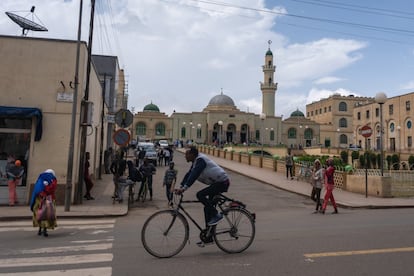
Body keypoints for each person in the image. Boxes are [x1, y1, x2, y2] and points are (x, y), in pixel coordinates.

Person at [176, 146, 230, 246]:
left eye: (186, 154)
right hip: (216, 183)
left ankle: (216, 215)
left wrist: (184, 188)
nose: (185, 156)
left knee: (200, 195)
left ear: (192, 154)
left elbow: (194, 175)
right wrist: (180, 186)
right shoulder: (196, 161)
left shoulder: (201, 160)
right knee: (207, 208)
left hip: (222, 182)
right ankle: (208, 236)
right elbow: (189, 174)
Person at [29, 169, 57, 237]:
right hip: (48, 199)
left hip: (39, 199)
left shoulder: (40, 178)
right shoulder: (53, 179)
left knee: (40, 213)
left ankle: (40, 229)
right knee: (47, 214)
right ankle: (45, 230)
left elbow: (36, 190)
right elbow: (51, 189)